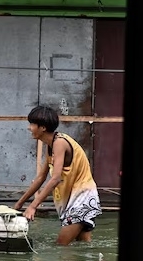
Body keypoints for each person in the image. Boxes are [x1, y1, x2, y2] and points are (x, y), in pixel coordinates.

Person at [13, 105, 103, 245]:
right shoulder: (51, 145)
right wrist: (19, 204)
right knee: (83, 248)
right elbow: (40, 178)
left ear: (42, 128)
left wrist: (33, 206)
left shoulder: (59, 143)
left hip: (81, 199)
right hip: (78, 200)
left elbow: (55, 178)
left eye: (32, 124)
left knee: (60, 247)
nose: (29, 128)